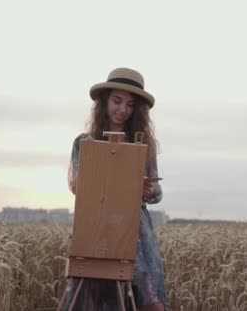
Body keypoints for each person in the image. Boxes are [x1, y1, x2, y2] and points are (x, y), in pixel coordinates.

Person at [60, 67, 168, 311]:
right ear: (105, 101)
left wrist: (149, 190)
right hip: (96, 223)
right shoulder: (84, 142)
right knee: (91, 293)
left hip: (136, 229)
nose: (122, 110)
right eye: (117, 101)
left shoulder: (143, 144)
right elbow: (79, 187)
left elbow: (157, 194)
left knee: (151, 297)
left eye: (130, 105)